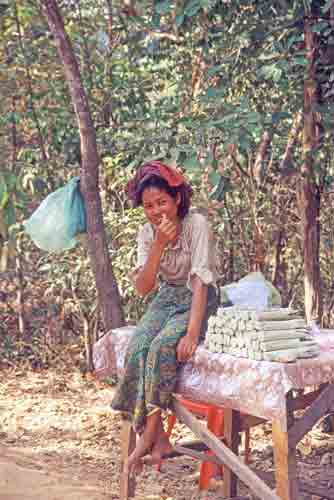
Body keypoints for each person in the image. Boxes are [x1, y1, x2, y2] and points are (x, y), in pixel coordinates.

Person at [111, 160, 218, 475]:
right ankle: (158, 439)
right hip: (166, 296)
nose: (157, 211)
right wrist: (158, 244)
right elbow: (144, 288)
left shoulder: (196, 224)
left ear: (177, 200)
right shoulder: (147, 233)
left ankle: (146, 439)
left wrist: (192, 333)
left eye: (162, 203)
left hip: (200, 299)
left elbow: (200, 281)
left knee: (161, 348)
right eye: (148, 206)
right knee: (138, 345)